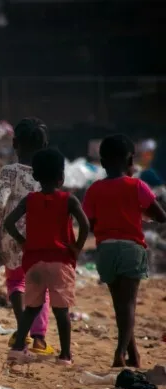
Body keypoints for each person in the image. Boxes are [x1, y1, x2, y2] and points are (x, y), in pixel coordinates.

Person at [0, 117, 54, 355]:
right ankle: (39, 338)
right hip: (39, 235)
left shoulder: (9, 172)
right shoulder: (47, 175)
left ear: (15, 143)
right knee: (40, 285)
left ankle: (22, 330)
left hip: (11, 233)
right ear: (44, 146)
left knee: (16, 282)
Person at [82, 134, 166, 367]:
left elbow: (89, 224)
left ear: (102, 162)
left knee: (120, 305)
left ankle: (133, 355)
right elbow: (161, 216)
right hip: (131, 249)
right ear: (130, 161)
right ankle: (120, 352)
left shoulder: (94, 189)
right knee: (128, 304)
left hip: (106, 250)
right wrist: (140, 213)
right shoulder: (137, 186)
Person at [4, 148, 89, 365]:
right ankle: (65, 355)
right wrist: (77, 247)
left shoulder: (30, 199)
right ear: (61, 176)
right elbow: (85, 224)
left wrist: (23, 241)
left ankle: (17, 348)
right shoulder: (69, 200)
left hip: (34, 263)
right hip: (60, 262)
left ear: (35, 176)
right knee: (62, 312)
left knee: (32, 308)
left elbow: (9, 222)